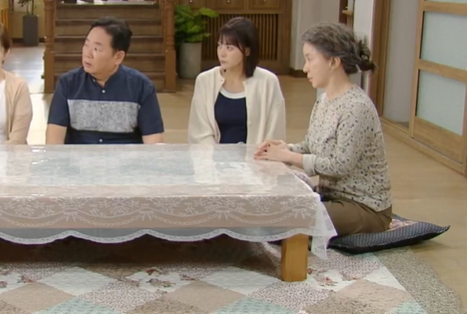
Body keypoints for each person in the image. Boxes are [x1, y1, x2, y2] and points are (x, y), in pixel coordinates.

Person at [254, 22, 392, 236]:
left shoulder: (356, 107)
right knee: (270, 203)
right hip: (331, 197)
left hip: (364, 206)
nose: (305, 67)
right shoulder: (324, 100)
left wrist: (289, 157)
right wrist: (284, 149)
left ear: (333, 62)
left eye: (310, 59)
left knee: (289, 216)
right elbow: (311, 145)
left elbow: (340, 165)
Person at [46, 17, 164, 144]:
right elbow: (54, 140)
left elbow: (154, 142)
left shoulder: (142, 87)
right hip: (80, 156)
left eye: (96, 49)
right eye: (86, 45)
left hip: (125, 156)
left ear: (118, 57)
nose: (87, 54)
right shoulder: (68, 84)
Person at [188, 17, 286, 145]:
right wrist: (216, 155)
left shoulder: (268, 82)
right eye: (220, 46)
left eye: (229, 48)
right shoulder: (205, 81)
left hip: (257, 156)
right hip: (214, 156)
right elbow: (199, 132)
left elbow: (274, 132)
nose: (222, 53)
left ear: (247, 51)